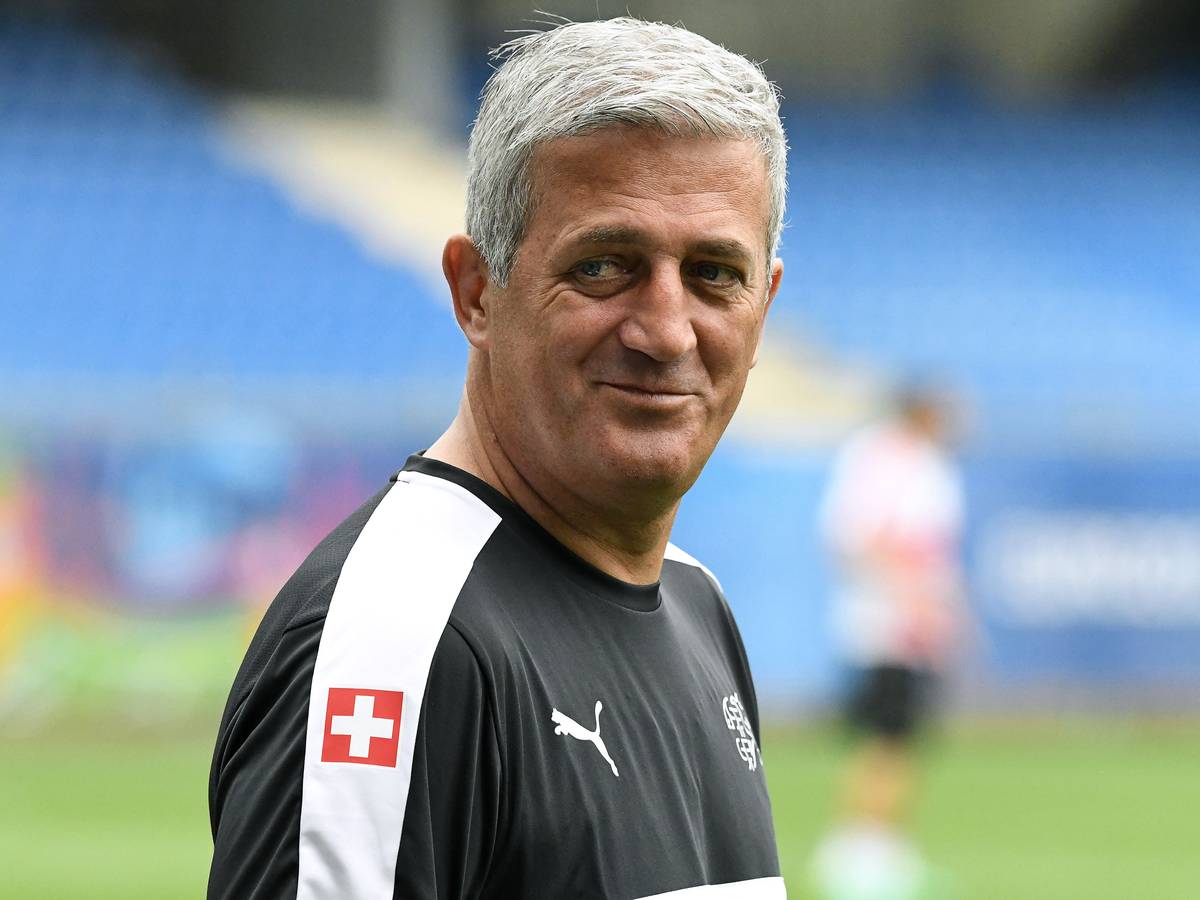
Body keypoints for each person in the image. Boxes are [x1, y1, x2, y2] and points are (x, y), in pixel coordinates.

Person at [208, 17, 788, 900]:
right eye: (604, 266)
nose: (667, 332)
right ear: (476, 292)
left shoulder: (697, 603)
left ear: (764, 305)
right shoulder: (399, 640)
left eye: (714, 273)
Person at [811, 387, 967, 900]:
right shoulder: (892, 462)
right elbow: (867, 538)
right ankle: (860, 849)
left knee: (900, 738)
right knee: (887, 737)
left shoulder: (904, 461)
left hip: (900, 623)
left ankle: (881, 844)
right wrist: (917, 602)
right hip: (891, 625)